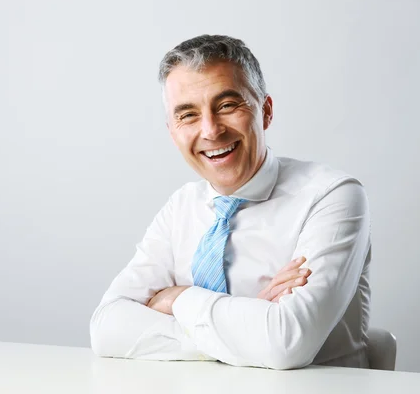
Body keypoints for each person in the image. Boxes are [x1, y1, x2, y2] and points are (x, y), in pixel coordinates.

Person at [90, 34, 371, 370]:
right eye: (188, 115)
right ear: (172, 131)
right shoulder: (181, 207)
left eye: (226, 106)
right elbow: (106, 328)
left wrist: (178, 298)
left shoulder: (332, 197)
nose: (210, 130)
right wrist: (244, 324)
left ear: (265, 112)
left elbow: (285, 344)